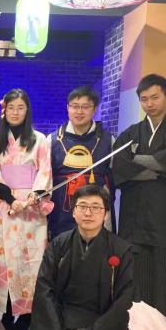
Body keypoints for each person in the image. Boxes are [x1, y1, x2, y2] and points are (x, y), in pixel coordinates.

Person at [28, 185, 134, 330]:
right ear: (74, 212)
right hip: (62, 323)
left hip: (98, 326)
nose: (88, 213)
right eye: (83, 206)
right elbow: (44, 290)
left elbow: (125, 300)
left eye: (96, 208)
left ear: (105, 214)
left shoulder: (121, 250)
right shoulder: (59, 244)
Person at [112, 74, 166, 327]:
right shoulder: (131, 132)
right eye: (144, 99)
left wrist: (139, 163)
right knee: (135, 288)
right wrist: (158, 167)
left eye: (155, 97)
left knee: (165, 288)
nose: (150, 103)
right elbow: (119, 167)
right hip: (134, 222)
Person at [0, 89, 53, 330]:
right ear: (4, 110)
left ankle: (27, 319)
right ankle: (4, 314)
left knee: (29, 264)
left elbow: (44, 173)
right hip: (6, 211)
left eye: (20, 107)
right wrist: (12, 200)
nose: (15, 112)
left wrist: (32, 198)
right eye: (11, 107)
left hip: (31, 214)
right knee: (3, 263)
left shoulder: (40, 141)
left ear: (27, 110)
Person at [47, 86, 115, 239]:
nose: (79, 112)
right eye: (75, 106)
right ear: (67, 108)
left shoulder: (107, 140)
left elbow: (114, 176)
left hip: (96, 209)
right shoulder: (52, 140)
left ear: (95, 109)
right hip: (61, 208)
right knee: (62, 250)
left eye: (85, 107)